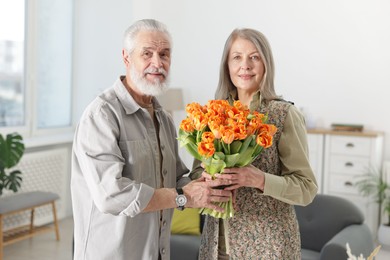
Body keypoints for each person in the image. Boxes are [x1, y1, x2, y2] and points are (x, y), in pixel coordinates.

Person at [71, 19, 232, 260]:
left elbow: (175, 178)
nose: (157, 63)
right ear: (126, 58)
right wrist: (183, 197)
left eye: (164, 54)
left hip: (156, 252)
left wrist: (210, 172)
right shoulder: (102, 115)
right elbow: (111, 194)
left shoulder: (164, 118)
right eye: (147, 53)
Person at [190, 28, 318, 259]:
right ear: (227, 66)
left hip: (268, 248)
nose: (245, 65)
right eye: (237, 57)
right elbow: (195, 174)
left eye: (254, 57)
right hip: (215, 246)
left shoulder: (283, 114)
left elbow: (306, 188)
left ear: (266, 64)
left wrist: (259, 179)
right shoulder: (212, 114)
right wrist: (206, 178)